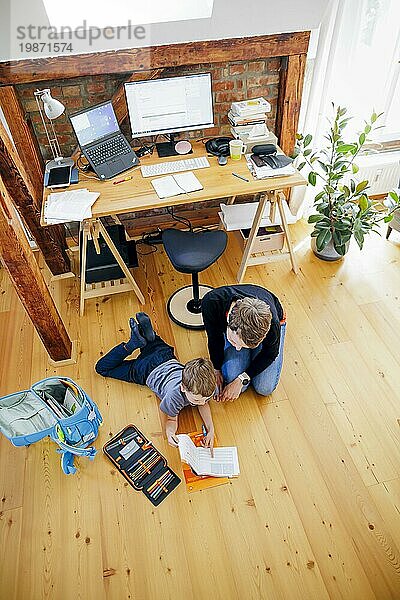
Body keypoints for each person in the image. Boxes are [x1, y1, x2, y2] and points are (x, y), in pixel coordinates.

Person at [95, 312, 216, 452]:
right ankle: (131, 345)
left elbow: (204, 404)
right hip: (146, 370)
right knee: (102, 368)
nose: (202, 403)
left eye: (205, 398)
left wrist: (211, 430)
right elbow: (171, 420)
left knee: (151, 342)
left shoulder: (206, 386)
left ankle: (147, 335)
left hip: (164, 354)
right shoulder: (174, 397)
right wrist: (170, 433)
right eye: (196, 400)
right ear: (183, 388)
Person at [202, 285, 286, 402]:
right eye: (234, 341)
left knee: (264, 388)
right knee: (230, 376)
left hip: (272, 321)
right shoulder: (211, 302)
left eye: (243, 346)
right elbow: (214, 338)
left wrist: (242, 378)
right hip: (233, 323)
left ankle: (248, 348)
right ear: (229, 324)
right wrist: (216, 369)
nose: (237, 349)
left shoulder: (273, 324)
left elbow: (270, 354)